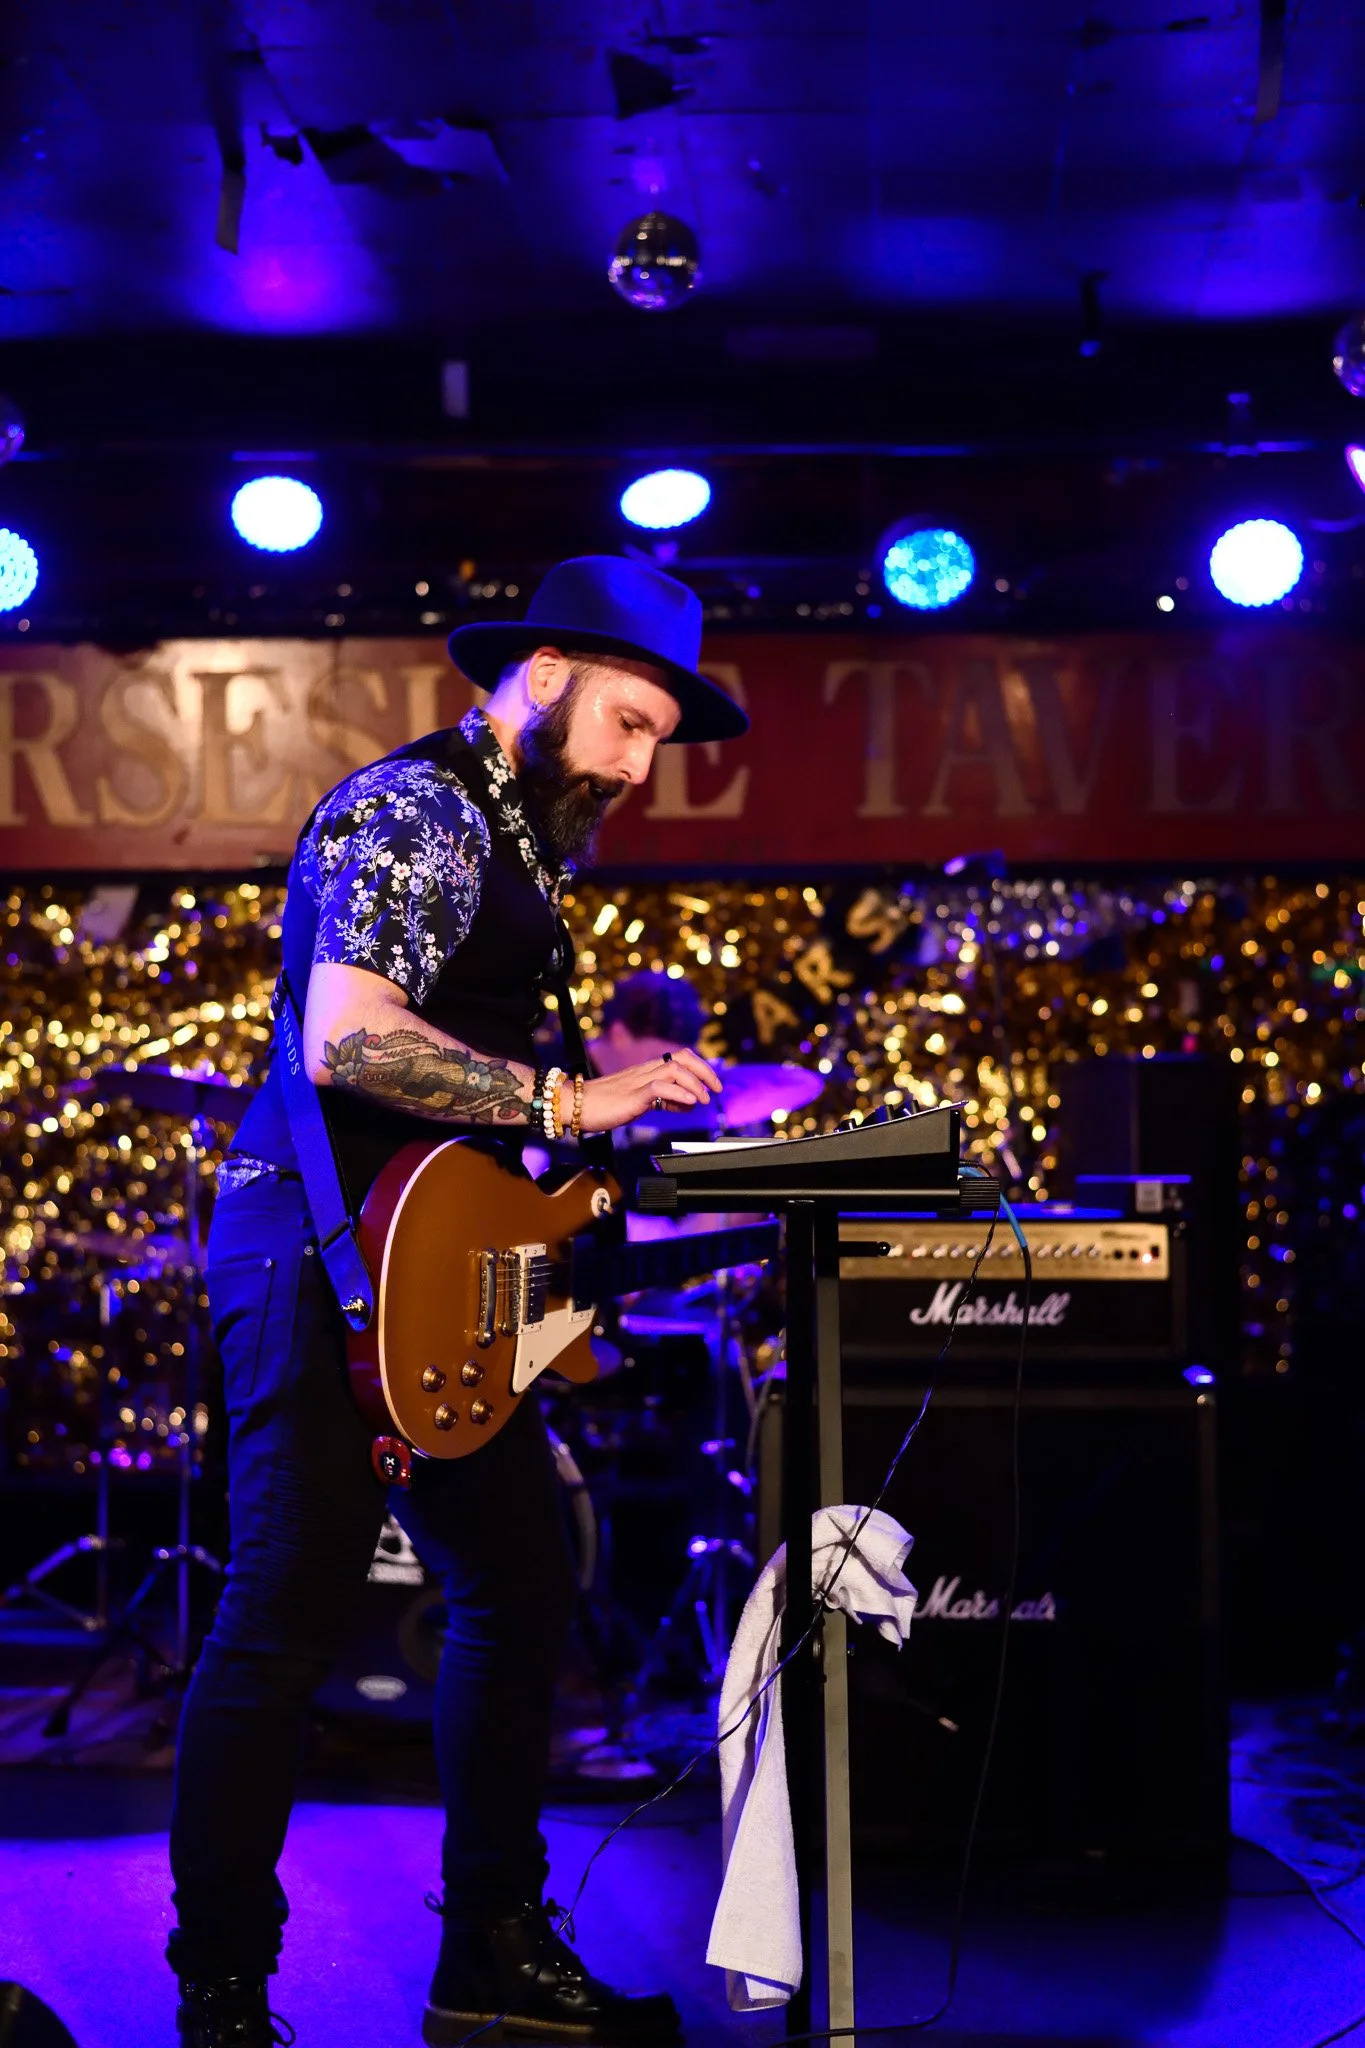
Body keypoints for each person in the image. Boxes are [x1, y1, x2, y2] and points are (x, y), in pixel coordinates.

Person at [166, 557, 748, 2048]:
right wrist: (569, 1098)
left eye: (655, 740)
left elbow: (466, 1110)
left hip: (433, 1258)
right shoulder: (417, 809)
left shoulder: (522, 845)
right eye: (628, 723)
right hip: (315, 1249)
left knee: (520, 1580)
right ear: (545, 674)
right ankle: (222, 1991)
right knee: (279, 1611)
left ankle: (486, 1947)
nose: (639, 767)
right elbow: (349, 1042)